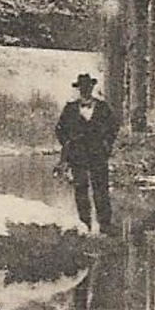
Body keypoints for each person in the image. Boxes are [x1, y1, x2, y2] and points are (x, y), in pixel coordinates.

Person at [54, 73, 118, 233]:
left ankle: (105, 224)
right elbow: (59, 129)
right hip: (78, 155)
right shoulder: (70, 108)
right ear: (79, 89)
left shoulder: (103, 107)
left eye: (88, 87)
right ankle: (84, 223)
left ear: (92, 88)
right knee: (80, 189)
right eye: (82, 87)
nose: (85, 90)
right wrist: (69, 143)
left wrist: (106, 144)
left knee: (101, 188)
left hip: (98, 154)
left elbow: (113, 127)